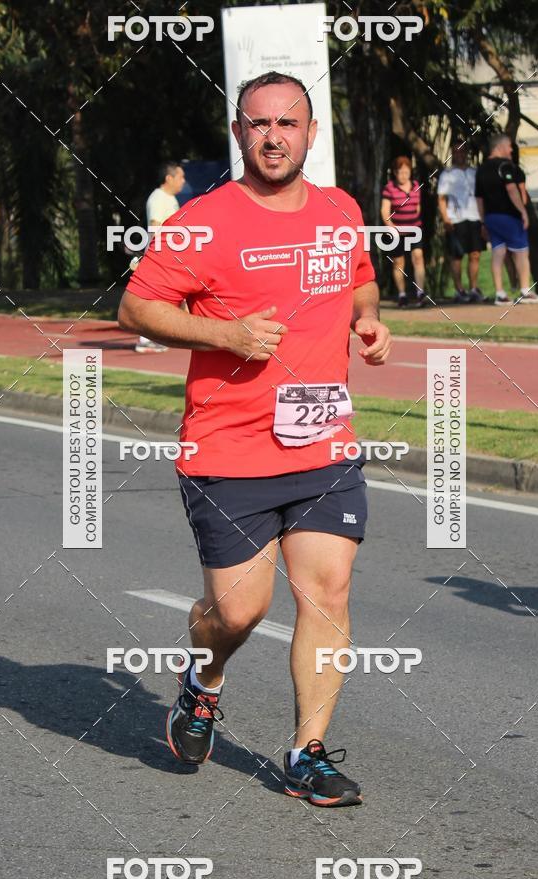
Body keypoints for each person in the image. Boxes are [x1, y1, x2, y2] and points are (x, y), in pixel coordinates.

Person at [118, 71, 391, 808]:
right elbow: (135, 307)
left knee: (327, 593)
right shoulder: (202, 222)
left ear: (310, 132)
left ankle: (307, 754)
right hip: (229, 451)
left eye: (289, 123)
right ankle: (203, 680)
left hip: (324, 445)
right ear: (239, 133)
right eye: (259, 123)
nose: (274, 135)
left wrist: (366, 318)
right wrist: (225, 334)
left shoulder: (339, 210)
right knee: (237, 612)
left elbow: (360, 278)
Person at [475, 134, 538, 305]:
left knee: (498, 253)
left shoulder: (481, 169)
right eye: (509, 146)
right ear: (499, 147)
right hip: (509, 216)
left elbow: (479, 199)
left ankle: (500, 293)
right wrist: (523, 211)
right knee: (521, 253)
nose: (511, 150)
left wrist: (483, 221)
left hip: (491, 217)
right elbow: (512, 189)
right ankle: (525, 290)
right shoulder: (505, 166)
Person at [135, 161, 186, 351]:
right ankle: (145, 339)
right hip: (162, 256)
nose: (183, 181)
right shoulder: (158, 198)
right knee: (155, 299)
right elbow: (155, 226)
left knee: (170, 299)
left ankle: (162, 335)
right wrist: (158, 256)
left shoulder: (169, 198)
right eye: (180, 177)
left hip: (171, 255)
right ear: (169, 178)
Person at [437, 144, 486, 302]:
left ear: (467, 153)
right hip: (456, 219)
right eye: (456, 152)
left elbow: (481, 196)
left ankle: (473, 288)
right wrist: (445, 219)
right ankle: (459, 289)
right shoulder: (448, 174)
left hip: (475, 217)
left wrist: (484, 218)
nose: (459, 155)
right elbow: (441, 198)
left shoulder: (474, 172)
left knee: (475, 254)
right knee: (456, 256)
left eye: (462, 151)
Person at [381, 156, 426, 308]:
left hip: (414, 230)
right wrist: (391, 227)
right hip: (397, 232)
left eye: (406, 172)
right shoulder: (389, 188)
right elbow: (385, 211)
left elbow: (418, 207)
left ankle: (420, 292)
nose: (403, 175)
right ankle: (402, 295)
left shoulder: (415, 185)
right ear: (395, 172)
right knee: (398, 262)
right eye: (400, 172)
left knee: (418, 257)